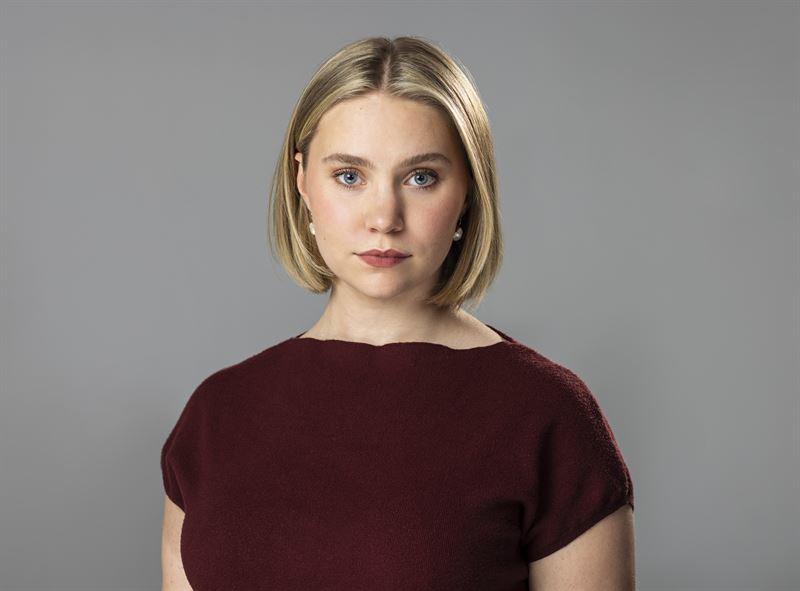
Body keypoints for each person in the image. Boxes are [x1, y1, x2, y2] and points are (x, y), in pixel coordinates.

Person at [160, 35, 635, 591]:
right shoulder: (217, 415)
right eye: (349, 176)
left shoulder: (548, 415)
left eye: (421, 177)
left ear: (468, 192)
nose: (384, 217)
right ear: (301, 181)